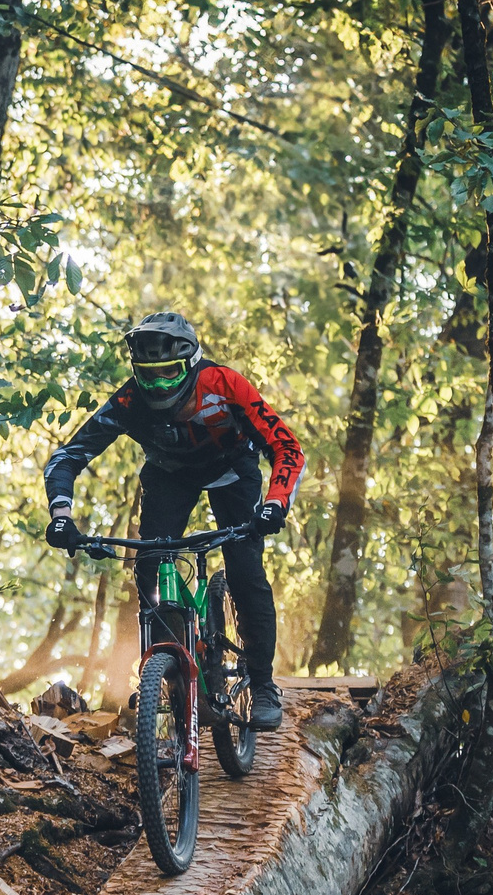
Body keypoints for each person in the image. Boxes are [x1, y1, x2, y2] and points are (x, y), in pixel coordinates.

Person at [42, 312, 305, 730]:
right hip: (169, 477)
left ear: (192, 361)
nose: (159, 384)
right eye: (148, 375)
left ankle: (262, 682)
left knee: (245, 569)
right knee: (149, 565)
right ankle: (156, 670)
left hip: (233, 473)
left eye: (169, 373)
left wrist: (274, 505)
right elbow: (67, 457)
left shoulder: (224, 384)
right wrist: (61, 516)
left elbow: (286, 447)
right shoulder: (130, 401)